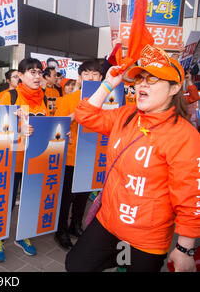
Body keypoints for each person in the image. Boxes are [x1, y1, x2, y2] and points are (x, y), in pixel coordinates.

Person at [66, 45, 200, 272]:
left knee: (125, 264)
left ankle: (122, 262)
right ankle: (120, 261)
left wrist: (184, 249)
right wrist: (109, 83)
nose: (143, 84)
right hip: (108, 222)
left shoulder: (185, 136)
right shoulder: (126, 115)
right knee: (76, 265)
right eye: (141, 79)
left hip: (146, 240)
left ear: (174, 88)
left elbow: (190, 199)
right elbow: (85, 115)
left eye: (154, 79)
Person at [0, 57, 49, 263]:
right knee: (5, 201)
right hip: (11, 160)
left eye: (39, 72)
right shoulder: (9, 96)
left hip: (35, 160)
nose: (36, 76)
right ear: (21, 75)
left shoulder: (43, 98)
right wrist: (18, 129)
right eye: (31, 72)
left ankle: (23, 234)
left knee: (29, 199)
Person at [54, 60, 103, 250]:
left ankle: (75, 225)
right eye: (87, 74)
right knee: (66, 197)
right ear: (80, 78)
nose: (91, 78)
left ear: (101, 78)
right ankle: (61, 231)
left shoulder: (108, 100)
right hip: (71, 157)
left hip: (91, 157)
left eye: (95, 74)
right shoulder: (67, 99)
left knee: (83, 196)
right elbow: (58, 126)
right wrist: (77, 114)